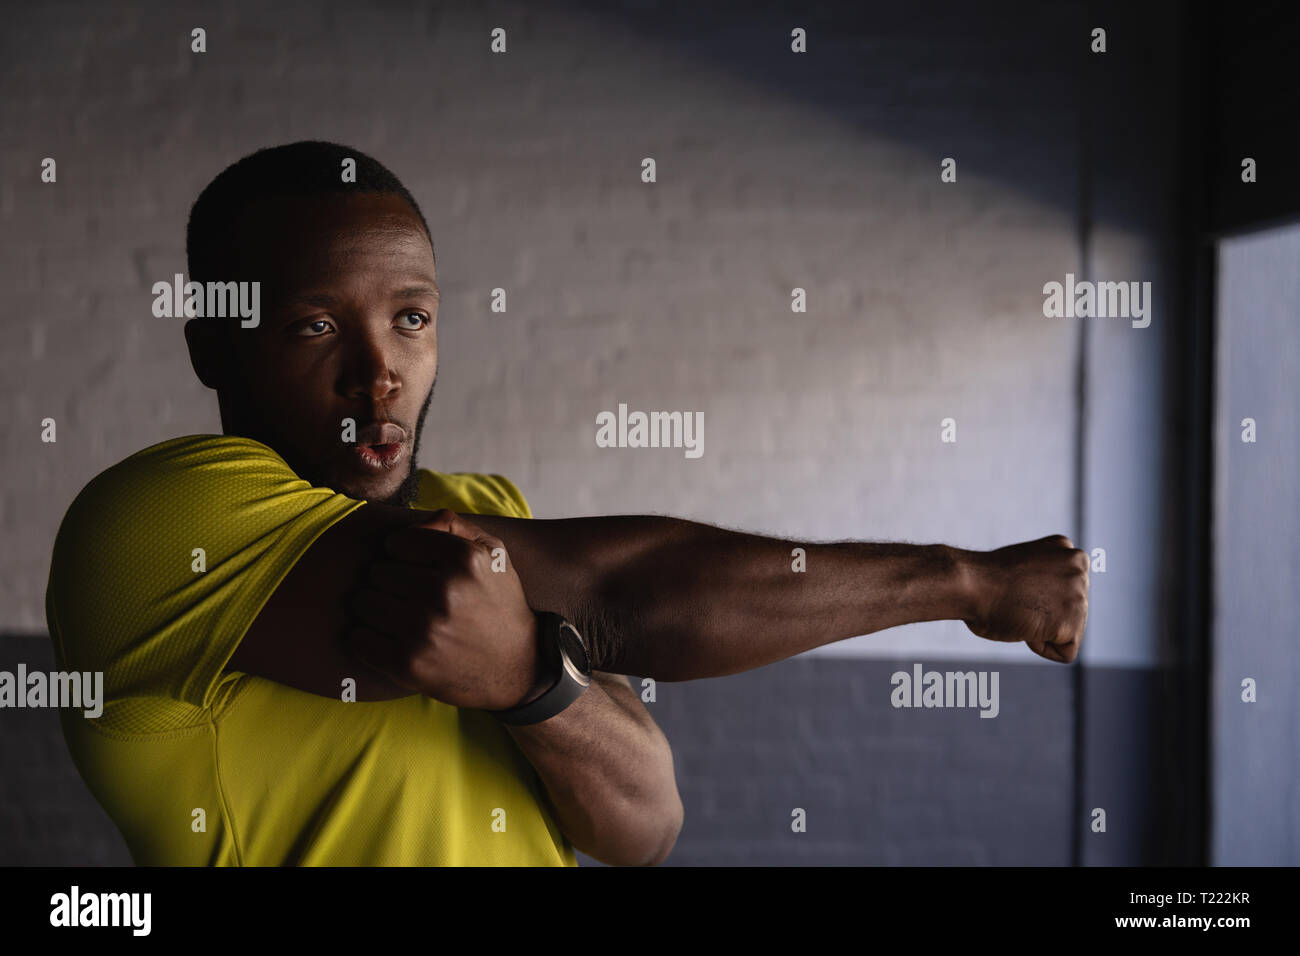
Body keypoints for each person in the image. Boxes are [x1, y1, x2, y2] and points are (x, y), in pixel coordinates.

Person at [45, 141, 1089, 867]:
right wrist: (968, 580)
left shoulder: (485, 506)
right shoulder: (156, 522)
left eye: (409, 318)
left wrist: (531, 684)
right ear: (210, 343)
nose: (380, 373)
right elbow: (620, 593)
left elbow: (643, 825)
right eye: (317, 326)